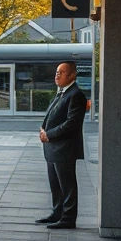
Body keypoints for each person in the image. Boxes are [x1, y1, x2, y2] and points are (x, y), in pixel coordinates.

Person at [36, 62, 87, 229]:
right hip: (53, 148)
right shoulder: (62, 92)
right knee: (55, 184)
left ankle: (68, 218)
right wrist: (43, 129)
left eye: (61, 72)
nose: (57, 75)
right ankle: (57, 214)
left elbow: (72, 123)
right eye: (57, 72)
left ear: (72, 75)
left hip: (64, 148)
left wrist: (49, 134)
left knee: (67, 185)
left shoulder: (75, 95)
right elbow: (52, 115)